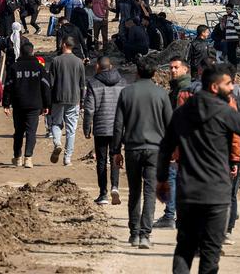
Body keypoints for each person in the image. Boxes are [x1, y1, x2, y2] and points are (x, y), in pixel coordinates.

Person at [157, 64, 240, 273]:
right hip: (216, 193)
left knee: (185, 248)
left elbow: (165, 148)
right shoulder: (226, 111)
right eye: (228, 84)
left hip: (188, 190)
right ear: (215, 87)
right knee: (210, 252)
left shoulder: (182, 112)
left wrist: (162, 179)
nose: (232, 87)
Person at [112, 58, 173, 249]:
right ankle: (145, 234)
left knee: (134, 192)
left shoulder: (126, 93)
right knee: (149, 192)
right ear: (155, 73)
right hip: (155, 150)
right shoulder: (161, 94)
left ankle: (134, 233)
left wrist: (115, 151)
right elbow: (170, 125)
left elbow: (118, 125)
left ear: (137, 72)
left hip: (132, 149)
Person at [153, 57, 195, 230]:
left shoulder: (184, 90)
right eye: (171, 67)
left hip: (180, 140)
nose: (172, 70)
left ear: (186, 69)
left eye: (176, 68)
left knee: (173, 175)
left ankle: (171, 215)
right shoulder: (177, 88)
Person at [84, 57, 126, 205]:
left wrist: (87, 127)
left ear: (97, 67)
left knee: (101, 161)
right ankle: (115, 186)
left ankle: (103, 194)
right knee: (115, 157)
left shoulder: (93, 83)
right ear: (111, 66)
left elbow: (89, 109)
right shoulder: (122, 82)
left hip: (101, 127)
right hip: (118, 127)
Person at [2, 42, 51, 169]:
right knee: (31, 132)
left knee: (18, 131)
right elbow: (46, 86)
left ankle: (17, 157)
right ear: (32, 52)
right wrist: (47, 104)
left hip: (18, 104)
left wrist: (6, 104)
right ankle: (28, 158)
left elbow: (8, 86)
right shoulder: (39, 67)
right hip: (35, 104)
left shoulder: (14, 67)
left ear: (21, 53)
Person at [48, 36, 87, 166]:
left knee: (56, 123)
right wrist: (82, 101)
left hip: (58, 97)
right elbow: (82, 84)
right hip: (74, 98)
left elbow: (51, 83)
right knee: (71, 129)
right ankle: (67, 158)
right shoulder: (79, 62)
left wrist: (48, 100)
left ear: (64, 44)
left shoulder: (55, 61)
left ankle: (57, 142)